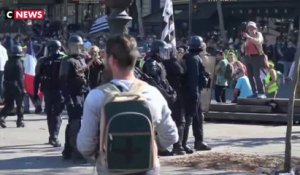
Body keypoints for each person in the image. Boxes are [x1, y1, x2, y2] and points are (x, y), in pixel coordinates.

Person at [77, 34, 178, 175]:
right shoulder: (153, 93)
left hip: (110, 170)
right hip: (147, 169)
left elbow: (85, 145)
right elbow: (171, 136)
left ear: (112, 60)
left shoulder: (96, 97)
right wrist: (150, 146)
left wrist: (102, 151)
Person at [59, 35, 88, 160]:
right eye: (74, 46)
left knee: (77, 122)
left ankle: (68, 149)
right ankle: (73, 149)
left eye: (78, 46)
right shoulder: (67, 61)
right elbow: (62, 82)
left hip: (82, 94)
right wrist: (67, 99)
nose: (77, 48)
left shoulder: (81, 59)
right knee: (74, 123)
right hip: (73, 95)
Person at [182, 36, 211, 152]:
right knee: (189, 119)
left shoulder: (192, 57)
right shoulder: (193, 59)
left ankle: (199, 141)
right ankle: (182, 144)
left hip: (194, 91)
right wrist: (194, 95)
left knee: (198, 118)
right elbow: (193, 78)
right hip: (192, 93)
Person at [34, 40, 65, 147]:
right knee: (56, 114)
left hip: (48, 91)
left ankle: (52, 135)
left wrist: (35, 93)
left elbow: (36, 78)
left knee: (50, 114)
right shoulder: (63, 59)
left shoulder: (43, 60)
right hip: (58, 91)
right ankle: (54, 136)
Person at [163, 50, 186, 155]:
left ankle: (165, 146)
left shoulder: (162, 63)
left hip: (167, 95)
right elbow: (182, 73)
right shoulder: (174, 64)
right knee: (180, 121)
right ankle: (178, 146)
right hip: (176, 95)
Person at [0, 45, 25, 128]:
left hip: (7, 85)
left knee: (9, 105)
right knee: (19, 105)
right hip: (17, 86)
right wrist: (22, 89)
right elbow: (20, 78)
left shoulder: (7, 63)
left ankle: (1, 117)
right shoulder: (19, 63)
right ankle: (20, 121)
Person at [243, 21, 266, 98]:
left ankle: (261, 92)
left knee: (257, 75)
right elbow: (243, 48)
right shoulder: (247, 38)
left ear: (255, 29)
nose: (251, 30)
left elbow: (258, 42)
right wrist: (244, 45)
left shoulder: (258, 35)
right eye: (249, 28)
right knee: (249, 76)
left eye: (252, 28)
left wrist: (249, 38)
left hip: (257, 57)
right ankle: (254, 92)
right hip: (249, 58)